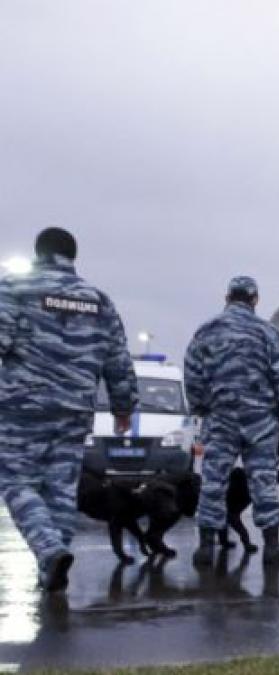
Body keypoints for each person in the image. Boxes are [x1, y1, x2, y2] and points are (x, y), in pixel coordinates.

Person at [0, 227, 138, 592]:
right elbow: (118, 361)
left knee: (16, 482)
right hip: (75, 410)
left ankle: (49, 550)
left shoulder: (14, 289)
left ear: (38, 252)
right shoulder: (99, 300)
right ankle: (54, 567)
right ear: (73, 256)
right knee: (61, 489)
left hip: (22, 407)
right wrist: (124, 408)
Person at [185, 276, 279, 567]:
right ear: (255, 299)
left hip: (220, 419)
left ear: (227, 297)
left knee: (213, 481)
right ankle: (272, 546)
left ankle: (206, 546)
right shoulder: (268, 332)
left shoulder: (206, 331)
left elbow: (193, 374)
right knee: (263, 481)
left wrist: (201, 407)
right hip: (260, 421)